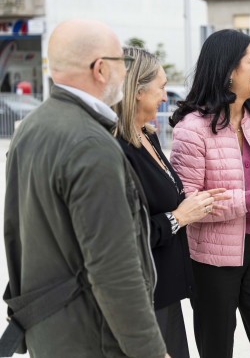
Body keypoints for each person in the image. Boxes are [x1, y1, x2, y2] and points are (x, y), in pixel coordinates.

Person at [3, 19, 167, 357]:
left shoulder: (30, 127)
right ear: (101, 69)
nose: (126, 72)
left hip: (50, 335)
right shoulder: (91, 144)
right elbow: (114, 270)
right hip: (93, 339)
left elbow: (14, 236)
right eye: (122, 62)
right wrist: (150, 351)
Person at [169, 29, 250, 358]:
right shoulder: (192, 129)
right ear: (229, 71)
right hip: (212, 261)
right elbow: (188, 204)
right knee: (217, 350)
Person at [113, 47, 231, 358]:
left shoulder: (148, 136)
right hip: (142, 296)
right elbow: (122, 235)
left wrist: (198, 203)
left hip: (165, 288)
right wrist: (179, 217)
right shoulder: (115, 150)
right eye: (162, 87)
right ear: (137, 90)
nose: (166, 97)